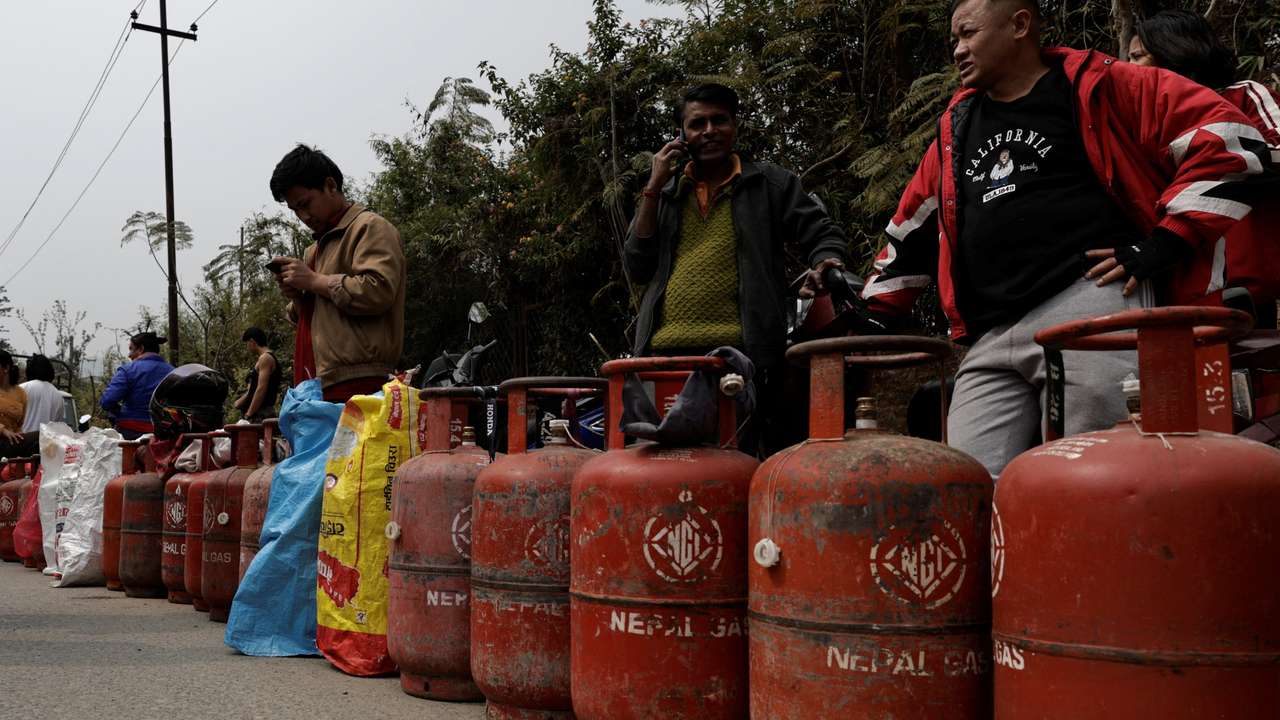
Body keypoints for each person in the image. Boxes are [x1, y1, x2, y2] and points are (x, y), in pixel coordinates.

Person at [861, 0, 1271, 477]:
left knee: (1102, 472)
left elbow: (1229, 139)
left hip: (1091, 302)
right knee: (967, 483)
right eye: (954, 39)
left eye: (968, 34)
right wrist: (875, 313)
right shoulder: (957, 125)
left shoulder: (1100, 84)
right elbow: (913, 224)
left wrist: (1167, 240)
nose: (958, 50)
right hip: (991, 330)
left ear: (1019, 25)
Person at [626, 83, 848, 453]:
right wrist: (653, 185)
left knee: (738, 462)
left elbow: (821, 232)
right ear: (682, 134)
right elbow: (637, 263)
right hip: (663, 356)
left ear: (735, 126)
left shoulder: (769, 184)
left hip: (742, 356)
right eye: (698, 123)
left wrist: (825, 262)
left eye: (719, 120)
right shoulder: (666, 194)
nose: (709, 131)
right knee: (665, 465)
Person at [1129, 9, 1280, 327]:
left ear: (1174, 50)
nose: (1128, 68)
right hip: (1167, 289)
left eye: (1138, 56)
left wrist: (1222, 149)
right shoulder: (1139, 128)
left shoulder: (1242, 97)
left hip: (1245, 287)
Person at [268, 144, 406, 404]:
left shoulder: (370, 228)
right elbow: (309, 319)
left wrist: (314, 280)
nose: (303, 216)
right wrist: (298, 295)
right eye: (295, 210)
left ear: (331, 185)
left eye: (305, 204)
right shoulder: (314, 250)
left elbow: (378, 291)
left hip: (365, 380)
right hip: (318, 381)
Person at [100, 332, 174, 440]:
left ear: (141, 349)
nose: (129, 355)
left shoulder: (128, 370)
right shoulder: (173, 372)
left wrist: (117, 411)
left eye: (131, 349)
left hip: (131, 432)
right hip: (164, 434)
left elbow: (107, 401)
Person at [233, 327, 283, 421]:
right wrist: (240, 402)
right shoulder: (263, 358)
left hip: (261, 414)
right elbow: (254, 388)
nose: (247, 347)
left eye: (247, 343)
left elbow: (261, 388)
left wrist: (249, 414)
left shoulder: (265, 358)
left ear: (252, 341)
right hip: (257, 412)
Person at [19, 354, 64, 432]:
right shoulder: (58, 395)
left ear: (29, 370)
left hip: (21, 440)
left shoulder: (21, 389)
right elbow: (57, 426)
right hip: (46, 442)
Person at [0, 350, 28, 453]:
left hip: (11, 442)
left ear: (6, 368)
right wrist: (3, 431)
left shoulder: (21, 393)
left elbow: (20, 424)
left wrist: (17, 436)